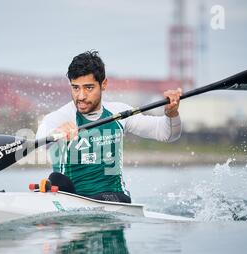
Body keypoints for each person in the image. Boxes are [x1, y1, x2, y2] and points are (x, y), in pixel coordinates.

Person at [36, 50, 182, 203]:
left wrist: (171, 114)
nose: (81, 96)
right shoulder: (62, 116)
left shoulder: (119, 113)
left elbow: (167, 134)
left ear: (103, 84)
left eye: (89, 87)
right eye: (75, 88)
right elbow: (41, 136)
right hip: (71, 199)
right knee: (56, 179)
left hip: (113, 198)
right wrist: (55, 133)